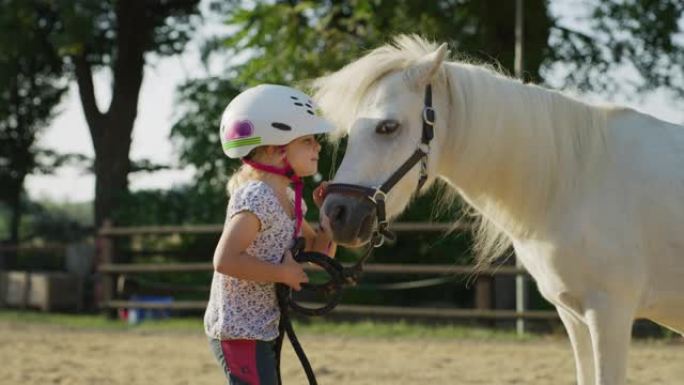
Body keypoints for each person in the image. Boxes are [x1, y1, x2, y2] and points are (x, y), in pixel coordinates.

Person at [204, 84, 336, 385]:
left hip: (262, 325)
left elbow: (319, 255)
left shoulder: (291, 200)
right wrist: (282, 273)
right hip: (239, 329)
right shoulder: (256, 197)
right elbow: (225, 260)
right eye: (307, 140)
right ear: (276, 149)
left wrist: (330, 218)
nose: (317, 147)